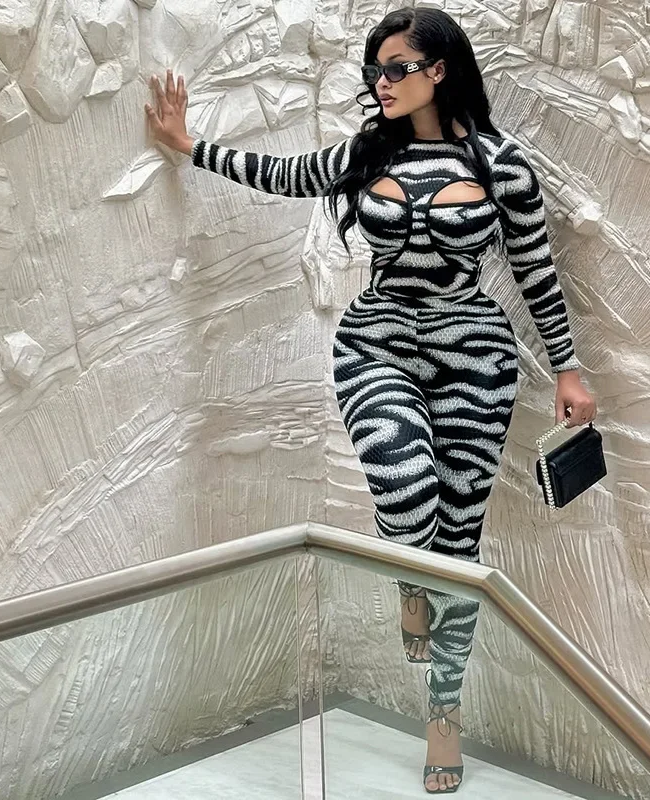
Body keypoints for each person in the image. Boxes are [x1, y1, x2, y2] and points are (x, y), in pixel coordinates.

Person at [146, 6, 596, 793]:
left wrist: (566, 367)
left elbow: (535, 270)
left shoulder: (501, 166)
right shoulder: (366, 152)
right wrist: (189, 145)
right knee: (406, 496)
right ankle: (407, 578)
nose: (381, 83)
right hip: (376, 345)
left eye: (396, 68)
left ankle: (444, 714)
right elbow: (283, 174)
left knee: (461, 545)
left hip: (476, 358)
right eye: (375, 71)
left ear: (439, 70)